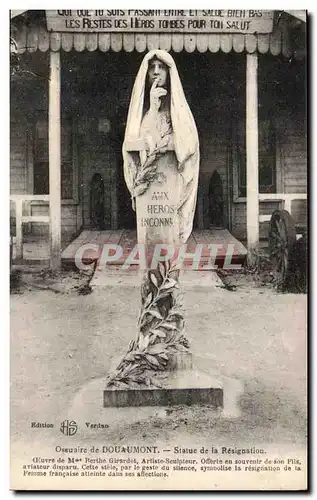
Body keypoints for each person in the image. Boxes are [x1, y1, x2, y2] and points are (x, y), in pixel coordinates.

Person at [122, 50, 199, 246]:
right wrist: (153, 108)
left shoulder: (178, 106)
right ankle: (151, 275)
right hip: (148, 181)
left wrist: (170, 142)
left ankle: (170, 275)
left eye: (161, 67)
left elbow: (190, 142)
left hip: (171, 177)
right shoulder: (142, 108)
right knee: (149, 234)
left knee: (170, 233)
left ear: (169, 71)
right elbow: (134, 140)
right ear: (146, 74)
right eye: (152, 68)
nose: (156, 72)